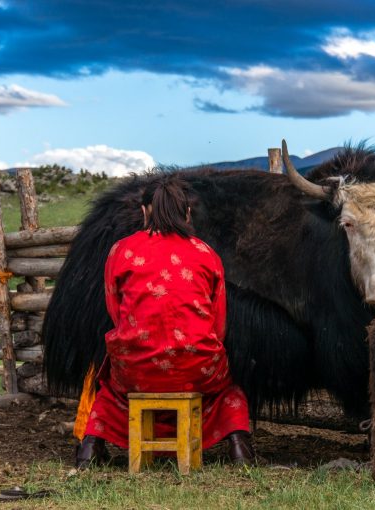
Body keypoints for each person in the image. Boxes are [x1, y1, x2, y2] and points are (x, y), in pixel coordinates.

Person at [75, 174, 254, 468]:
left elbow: (115, 312)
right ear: (186, 213)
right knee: (228, 390)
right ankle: (239, 449)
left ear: (145, 211)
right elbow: (218, 324)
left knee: (108, 389)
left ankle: (90, 449)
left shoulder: (121, 251)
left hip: (136, 370)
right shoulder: (206, 253)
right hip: (196, 368)